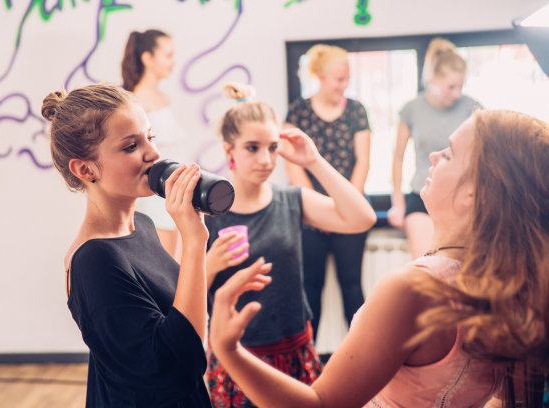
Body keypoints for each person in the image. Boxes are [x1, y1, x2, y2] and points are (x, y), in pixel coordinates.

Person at [208, 109, 549, 408]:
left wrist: (228, 350)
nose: (432, 155)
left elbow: (322, 405)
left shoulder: (411, 288)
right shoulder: (509, 280)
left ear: (478, 194)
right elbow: (506, 397)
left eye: (448, 155)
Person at [204, 83, 376, 407]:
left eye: (272, 147)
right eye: (252, 148)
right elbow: (179, 298)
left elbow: (362, 218)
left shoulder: (291, 201)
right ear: (230, 153)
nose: (266, 159)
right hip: (237, 358)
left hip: (295, 350)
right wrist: (209, 268)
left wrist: (314, 161)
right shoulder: (209, 216)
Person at [41, 84, 212, 407]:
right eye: (131, 145)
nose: (153, 154)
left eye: (151, 137)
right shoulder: (94, 261)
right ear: (85, 169)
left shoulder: (143, 227)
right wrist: (194, 242)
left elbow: (175, 313)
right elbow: (174, 370)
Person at [284, 44, 372, 337]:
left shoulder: (357, 111)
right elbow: (293, 168)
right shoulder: (297, 112)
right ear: (320, 77)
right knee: (310, 286)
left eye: (347, 78)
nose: (343, 85)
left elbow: (362, 162)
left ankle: (363, 360)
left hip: (351, 212)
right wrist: (321, 212)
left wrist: (347, 208)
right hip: (310, 214)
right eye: (338, 79)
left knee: (351, 284)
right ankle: (308, 363)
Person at [388, 37, 482, 259]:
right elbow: (398, 158)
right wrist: (397, 203)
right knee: (427, 266)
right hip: (421, 196)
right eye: (451, 86)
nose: (457, 92)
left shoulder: (473, 108)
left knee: (460, 266)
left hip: (462, 199)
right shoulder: (411, 109)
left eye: (461, 85)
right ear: (433, 80)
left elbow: (485, 156)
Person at [122, 29, 193, 259]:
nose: (174, 62)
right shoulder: (135, 102)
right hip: (155, 197)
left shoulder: (164, 99)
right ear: (148, 58)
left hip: (175, 194)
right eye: (168, 55)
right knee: (164, 269)